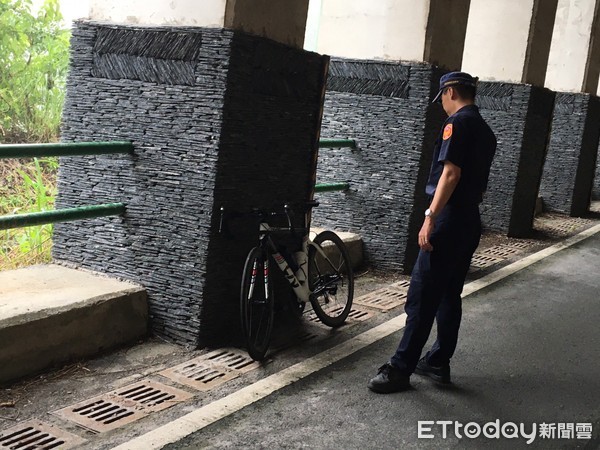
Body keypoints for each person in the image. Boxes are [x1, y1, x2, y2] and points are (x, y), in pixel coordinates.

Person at [368, 71, 497, 393]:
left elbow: (451, 173)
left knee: (422, 296)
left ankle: (400, 369)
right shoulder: (486, 130)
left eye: (441, 97)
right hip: (469, 220)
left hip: (449, 219)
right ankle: (438, 361)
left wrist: (430, 216)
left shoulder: (458, 124)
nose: (441, 104)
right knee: (449, 294)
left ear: (449, 92)